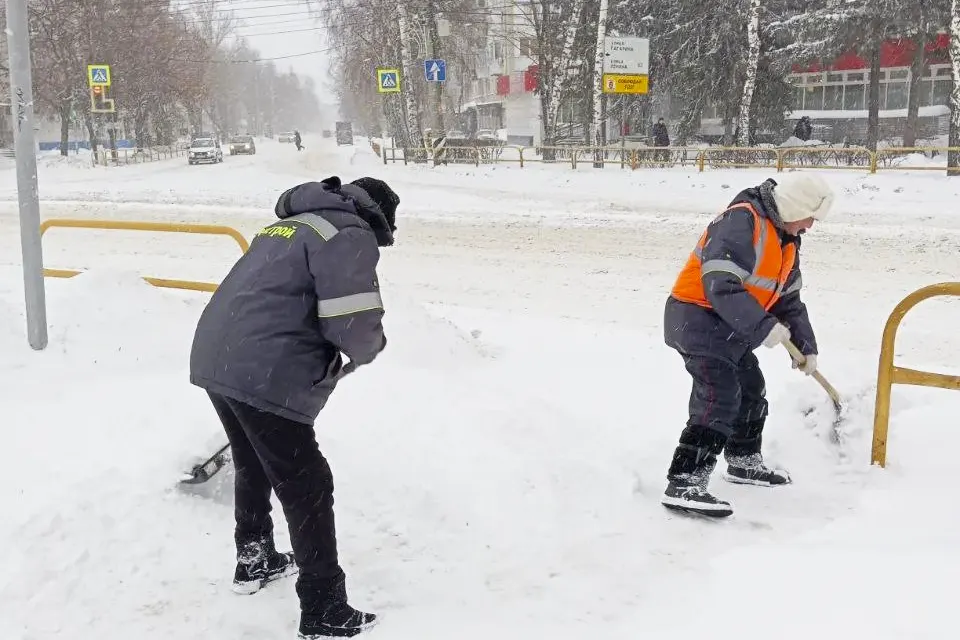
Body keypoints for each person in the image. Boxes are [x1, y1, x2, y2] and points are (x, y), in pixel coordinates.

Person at [189, 175, 400, 638]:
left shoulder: (294, 223)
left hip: (217, 357)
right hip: (263, 368)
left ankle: (256, 559)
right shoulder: (347, 232)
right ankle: (323, 606)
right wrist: (370, 347)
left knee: (254, 462)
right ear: (377, 216)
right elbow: (352, 318)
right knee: (307, 482)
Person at [660, 173, 834, 518]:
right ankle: (684, 481)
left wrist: (805, 345)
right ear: (796, 207)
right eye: (811, 216)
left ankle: (743, 459)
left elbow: (789, 301)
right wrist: (762, 326)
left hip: (729, 325)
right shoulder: (743, 220)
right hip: (696, 318)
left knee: (751, 389)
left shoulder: (786, 239)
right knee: (720, 394)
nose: (811, 226)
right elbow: (720, 284)